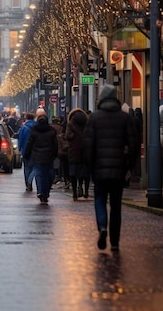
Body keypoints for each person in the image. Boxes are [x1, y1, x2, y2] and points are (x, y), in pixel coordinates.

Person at [83, 84, 140, 252]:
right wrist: (129, 165)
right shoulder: (125, 118)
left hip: (99, 169)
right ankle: (114, 242)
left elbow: (88, 146)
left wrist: (90, 166)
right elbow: (134, 144)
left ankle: (102, 227)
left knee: (100, 199)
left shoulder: (94, 118)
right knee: (116, 205)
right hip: (118, 170)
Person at [24, 108, 58, 204]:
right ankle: (45, 193)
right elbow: (55, 144)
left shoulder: (34, 131)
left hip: (37, 156)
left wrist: (27, 154)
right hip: (48, 157)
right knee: (49, 175)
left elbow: (29, 144)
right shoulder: (52, 131)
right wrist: (55, 154)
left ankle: (40, 192)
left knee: (39, 175)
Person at [65, 107, 90, 200]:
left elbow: (67, 136)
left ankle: (75, 192)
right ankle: (85, 190)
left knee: (73, 172)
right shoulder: (87, 122)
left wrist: (73, 136)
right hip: (85, 150)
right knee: (85, 172)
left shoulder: (71, 123)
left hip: (74, 150)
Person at [17, 112, 36, 191]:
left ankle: (28, 183)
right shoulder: (37, 126)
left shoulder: (24, 128)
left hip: (25, 150)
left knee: (27, 167)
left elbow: (20, 139)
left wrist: (19, 148)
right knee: (35, 167)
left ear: (26, 118)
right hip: (36, 150)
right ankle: (30, 180)